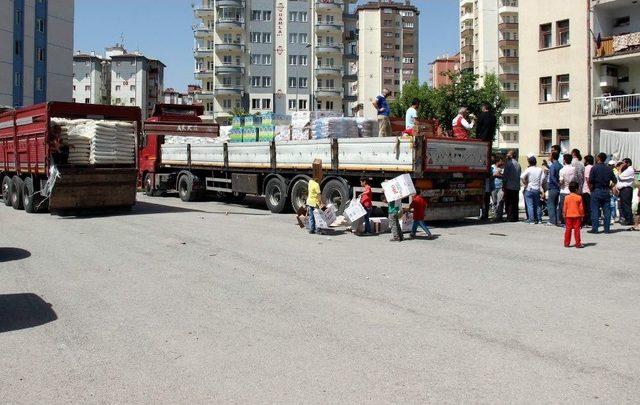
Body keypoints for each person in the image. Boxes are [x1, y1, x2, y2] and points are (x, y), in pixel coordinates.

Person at [588, 152, 617, 234]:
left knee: (595, 210)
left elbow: (590, 181)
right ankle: (607, 229)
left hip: (596, 190)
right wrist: (610, 187)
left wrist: (591, 189)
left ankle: (595, 228)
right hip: (606, 190)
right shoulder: (608, 168)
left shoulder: (594, 168)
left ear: (598, 158)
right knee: (607, 211)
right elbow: (615, 180)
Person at [521, 155, 545, 224]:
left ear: (529, 162)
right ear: (536, 162)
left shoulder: (528, 169)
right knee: (538, 205)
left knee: (530, 205)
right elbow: (542, 178)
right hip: (537, 188)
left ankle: (531, 220)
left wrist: (525, 183)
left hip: (529, 188)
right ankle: (539, 219)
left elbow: (522, 177)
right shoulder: (539, 169)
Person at [563, 181, 585, 248]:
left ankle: (566, 243)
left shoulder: (566, 197)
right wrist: (582, 215)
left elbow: (565, 207)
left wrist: (564, 214)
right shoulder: (579, 197)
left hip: (568, 215)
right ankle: (578, 243)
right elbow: (581, 208)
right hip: (577, 215)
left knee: (568, 229)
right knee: (577, 230)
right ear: (576, 189)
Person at [502, 150, 521, 222]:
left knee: (509, 202)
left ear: (511, 155)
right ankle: (515, 217)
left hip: (509, 186)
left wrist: (504, 185)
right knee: (515, 202)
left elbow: (505, 176)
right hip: (516, 186)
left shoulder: (508, 164)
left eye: (508, 154)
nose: (507, 155)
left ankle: (510, 217)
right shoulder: (518, 164)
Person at [306, 160, 324, 234]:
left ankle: (311, 229)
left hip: (309, 202)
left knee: (311, 217)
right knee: (317, 216)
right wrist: (321, 203)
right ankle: (318, 229)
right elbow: (318, 195)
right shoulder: (317, 185)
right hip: (315, 203)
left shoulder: (310, 182)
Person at [558, 153, 577, 225]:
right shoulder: (574, 169)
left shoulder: (562, 170)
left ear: (564, 160)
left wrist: (559, 184)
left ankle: (564, 221)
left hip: (564, 190)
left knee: (563, 207)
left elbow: (561, 181)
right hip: (572, 190)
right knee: (572, 207)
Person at [616, 158, 635, 226]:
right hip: (623, 190)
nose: (622, 164)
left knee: (626, 205)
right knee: (623, 205)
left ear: (628, 163)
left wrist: (620, 169)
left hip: (626, 189)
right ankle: (627, 219)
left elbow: (620, 177)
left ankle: (629, 220)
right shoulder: (626, 170)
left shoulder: (630, 169)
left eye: (624, 163)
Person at [546, 151, 562, 226]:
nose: (549, 156)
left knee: (551, 204)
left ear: (552, 157)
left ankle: (552, 221)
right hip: (559, 188)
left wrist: (557, 184)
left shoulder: (553, 166)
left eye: (550, 155)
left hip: (553, 187)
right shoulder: (560, 165)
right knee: (556, 204)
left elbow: (552, 177)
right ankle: (556, 220)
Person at [491, 156, 505, 221]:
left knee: (500, 201)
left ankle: (500, 216)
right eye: (501, 161)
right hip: (493, 187)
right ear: (497, 161)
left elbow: (504, 176)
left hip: (501, 187)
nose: (502, 162)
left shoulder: (502, 168)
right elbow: (491, 176)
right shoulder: (492, 167)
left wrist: (498, 174)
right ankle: (495, 215)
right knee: (494, 202)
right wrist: (496, 174)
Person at [582, 155, 594, 227]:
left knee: (587, 207)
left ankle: (587, 221)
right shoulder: (593, 167)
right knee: (590, 207)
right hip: (589, 189)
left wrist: (590, 189)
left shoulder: (587, 168)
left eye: (584, 160)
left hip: (587, 190)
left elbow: (587, 179)